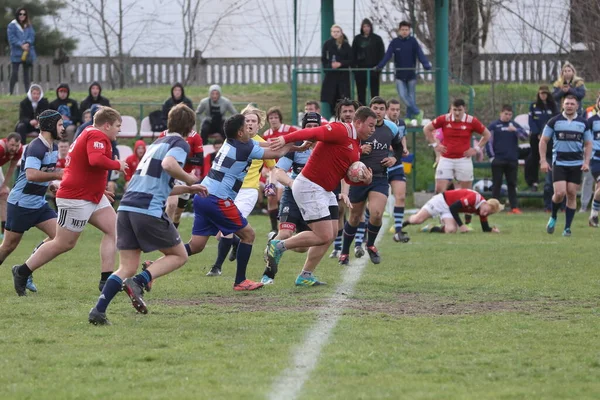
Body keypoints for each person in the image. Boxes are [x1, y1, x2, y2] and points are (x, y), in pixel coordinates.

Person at [88, 104, 209, 324]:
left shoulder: (157, 143)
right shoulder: (179, 143)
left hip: (126, 207)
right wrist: (191, 179)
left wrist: (187, 188)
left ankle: (98, 310)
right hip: (147, 209)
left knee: (127, 267)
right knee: (180, 255)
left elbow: (158, 182)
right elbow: (169, 164)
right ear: (190, 128)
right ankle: (141, 281)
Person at [11, 107, 128, 297]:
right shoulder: (97, 136)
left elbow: (85, 168)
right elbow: (96, 160)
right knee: (64, 243)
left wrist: (99, 190)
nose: (119, 130)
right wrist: (117, 165)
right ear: (106, 125)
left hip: (91, 195)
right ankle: (22, 271)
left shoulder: (91, 134)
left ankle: (106, 280)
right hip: (75, 197)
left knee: (114, 229)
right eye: (117, 126)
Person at [266, 107, 376, 286]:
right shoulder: (342, 130)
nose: (373, 129)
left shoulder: (356, 147)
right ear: (358, 122)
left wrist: (364, 180)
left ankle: (305, 275)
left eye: (375, 126)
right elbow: (312, 131)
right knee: (323, 235)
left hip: (325, 190)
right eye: (370, 125)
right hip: (310, 186)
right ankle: (278, 246)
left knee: (331, 234)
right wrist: (284, 139)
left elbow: (347, 177)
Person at [183, 113, 291, 290]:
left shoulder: (232, 141)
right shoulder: (245, 148)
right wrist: (296, 143)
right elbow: (278, 152)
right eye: (245, 125)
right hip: (217, 199)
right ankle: (240, 281)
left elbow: (263, 143)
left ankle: (152, 269)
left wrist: (293, 146)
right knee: (248, 235)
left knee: (196, 246)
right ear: (240, 133)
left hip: (202, 195)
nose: (249, 127)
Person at [204, 105, 275, 277]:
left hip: (248, 191)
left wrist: (270, 184)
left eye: (254, 121)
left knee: (225, 230)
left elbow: (273, 168)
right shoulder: (234, 141)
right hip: (227, 190)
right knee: (221, 232)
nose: (250, 124)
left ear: (259, 125)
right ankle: (236, 242)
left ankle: (217, 267)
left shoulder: (262, 145)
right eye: (247, 120)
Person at [339, 97, 404, 266]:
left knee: (376, 214)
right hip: (358, 178)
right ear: (370, 108)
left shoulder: (391, 128)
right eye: (375, 107)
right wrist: (360, 150)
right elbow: (346, 148)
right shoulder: (359, 127)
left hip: (379, 178)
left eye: (382, 108)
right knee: (354, 217)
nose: (378, 111)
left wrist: (394, 160)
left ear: (386, 110)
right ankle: (344, 252)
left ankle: (371, 245)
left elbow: (398, 148)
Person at [4, 111, 63, 296]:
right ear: (50, 126)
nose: (62, 128)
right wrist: (56, 175)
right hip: (20, 204)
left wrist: (51, 185)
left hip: (38, 204)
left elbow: (41, 174)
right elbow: (31, 174)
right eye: (60, 124)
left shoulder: (52, 147)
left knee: (60, 237)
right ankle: (22, 272)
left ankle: (25, 271)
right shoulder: (36, 147)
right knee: (8, 246)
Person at [261, 112, 320, 285]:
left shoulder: (327, 147)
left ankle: (275, 244)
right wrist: (292, 183)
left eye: (314, 126)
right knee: (285, 232)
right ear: (303, 128)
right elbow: (278, 171)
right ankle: (268, 275)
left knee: (302, 247)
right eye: (308, 126)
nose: (311, 129)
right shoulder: (296, 146)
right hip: (292, 196)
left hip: (312, 199)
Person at [423, 99, 491, 229]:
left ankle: (468, 222)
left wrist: (476, 149)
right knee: (439, 189)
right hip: (446, 159)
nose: (457, 113)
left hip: (463, 160)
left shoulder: (471, 121)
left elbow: (487, 134)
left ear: (464, 109)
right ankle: (441, 219)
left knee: (467, 192)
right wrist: (435, 144)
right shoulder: (444, 119)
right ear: (451, 109)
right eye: (455, 110)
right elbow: (427, 129)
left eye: (460, 110)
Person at [540, 94, 592, 237]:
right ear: (563, 105)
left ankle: (567, 228)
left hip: (576, 164)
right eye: (567, 103)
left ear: (577, 106)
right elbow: (543, 141)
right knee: (559, 193)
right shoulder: (554, 121)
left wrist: (586, 162)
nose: (569, 106)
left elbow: (588, 144)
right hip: (559, 163)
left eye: (572, 104)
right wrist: (543, 160)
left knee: (571, 193)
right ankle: (554, 216)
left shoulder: (583, 123)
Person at [376, 21, 431, 124]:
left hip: (411, 75)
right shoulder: (395, 42)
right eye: (403, 30)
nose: (405, 32)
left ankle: (409, 117)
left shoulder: (413, 41)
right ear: (399, 30)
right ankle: (417, 112)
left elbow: (420, 54)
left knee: (411, 97)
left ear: (409, 31)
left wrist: (426, 64)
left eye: (407, 30)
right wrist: (380, 66)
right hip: (400, 75)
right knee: (402, 95)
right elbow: (388, 55)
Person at [329, 98, 359, 258]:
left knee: (357, 212)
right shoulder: (336, 130)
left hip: (357, 176)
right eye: (344, 111)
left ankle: (359, 242)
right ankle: (338, 246)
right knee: (339, 210)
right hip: (337, 176)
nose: (348, 114)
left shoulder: (362, 130)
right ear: (339, 114)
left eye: (350, 111)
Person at [485, 105, 528, 213]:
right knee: (497, 184)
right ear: (501, 113)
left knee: (512, 184)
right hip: (498, 159)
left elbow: (524, 136)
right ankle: (493, 207)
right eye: (506, 114)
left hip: (512, 159)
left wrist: (515, 130)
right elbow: (488, 141)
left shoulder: (514, 125)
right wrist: (492, 157)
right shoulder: (494, 126)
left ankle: (514, 207)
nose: (508, 116)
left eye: (510, 114)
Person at [263, 107, 298, 236]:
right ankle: (274, 229)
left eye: (275, 117)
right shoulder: (266, 134)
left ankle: (287, 224)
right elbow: (264, 155)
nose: (273, 120)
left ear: (280, 119)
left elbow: (299, 140)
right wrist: (265, 168)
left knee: (280, 196)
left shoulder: (289, 130)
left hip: (286, 170)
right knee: (271, 197)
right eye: (270, 118)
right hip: (272, 171)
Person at [404, 189, 502, 233]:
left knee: (451, 230)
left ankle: (431, 228)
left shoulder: (482, 208)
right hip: (441, 201)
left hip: (450, 208)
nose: (484, 214)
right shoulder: (474, 198)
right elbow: (453, 208)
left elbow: (485, 228)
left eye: (488, 214)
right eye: (486, 211)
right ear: (486, 203)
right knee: (417, 220)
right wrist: (462, 225)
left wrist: (492, 230)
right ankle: (400, 225)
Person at [161, 127, 203, 229]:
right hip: (170, 172)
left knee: (178, 213)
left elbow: (199, 160)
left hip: (185, 175)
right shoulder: (164, 134)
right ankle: (166, 236)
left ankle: (173, 234)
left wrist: (179, 158)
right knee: (171, 204)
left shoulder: (194, 136)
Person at [385, 98, 410, 242]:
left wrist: (404, 148)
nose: (395, 112)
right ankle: (365, 232)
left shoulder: (401, 123)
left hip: (397, 164)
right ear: (387, 110)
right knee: (376, 204)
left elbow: (403, 137)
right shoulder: (381, 124)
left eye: (397, 110)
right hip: (381, 165)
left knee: (400, 196)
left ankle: (398, 231)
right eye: (392, 109)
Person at [526, 85, 559, 191]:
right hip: (536, 138)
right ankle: (534, 182)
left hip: (549, 137)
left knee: (550, 159)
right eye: (541, 93)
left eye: (545, 93)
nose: (543, 95)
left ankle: (551, 182)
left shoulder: (553, 106)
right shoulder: (534, 106)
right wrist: (537, 133)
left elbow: (554, 120)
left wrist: (544, 133)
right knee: (534, 158)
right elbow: (531, 121)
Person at [320, 24, 352, 117]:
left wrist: (341, 64)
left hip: (343, 75)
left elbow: (351, 59)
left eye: (337, 32)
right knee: (331, 97)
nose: (336, 33)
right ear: (331, 33)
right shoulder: (327, 44)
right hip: (331, 75)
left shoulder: (346, 45)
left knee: (343, 97)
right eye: (334, 32)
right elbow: (324, 58)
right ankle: (333, 116)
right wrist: (329, 66)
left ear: (341, 32)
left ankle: (343, 115)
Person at [352, 18, 385, 106]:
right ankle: (362, 111)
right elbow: (353, 54)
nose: (366, 28)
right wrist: (355, 69)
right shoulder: (357, 39)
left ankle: (375, 110)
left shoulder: (377, 39)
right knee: (361, 93)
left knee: (374, 93)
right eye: (364, 26)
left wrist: (379, 67)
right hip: (360, 70)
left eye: (368, 26)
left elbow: (381, 53)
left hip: (374, 70)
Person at [7, 7, 36, 95]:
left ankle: (28, 92)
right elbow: (11, 38)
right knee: (14, 73)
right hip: (16, 53)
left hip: (27, 53)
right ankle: (11, 92)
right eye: (20, 14)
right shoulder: (12, 25)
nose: (22, 16)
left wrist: (28, 43)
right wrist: (21, 45)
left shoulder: (29, 25)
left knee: (26, 75)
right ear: (17, 15)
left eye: (24, 14)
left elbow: (32, 36)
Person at [0, 133, 24, 236]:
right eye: (12, 145)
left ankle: (4, 230)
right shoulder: (1, 148)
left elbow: (11, 168)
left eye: (16, 145)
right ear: (6, 142)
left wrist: (3, 186)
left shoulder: (19, 150)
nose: (14, 148)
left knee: (4, 194)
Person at [588, 99, 600, 227]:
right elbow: (585, 140)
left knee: (598, 189)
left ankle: (593, 217)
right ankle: (594, 214)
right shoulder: (592, 121)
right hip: (597, 159)